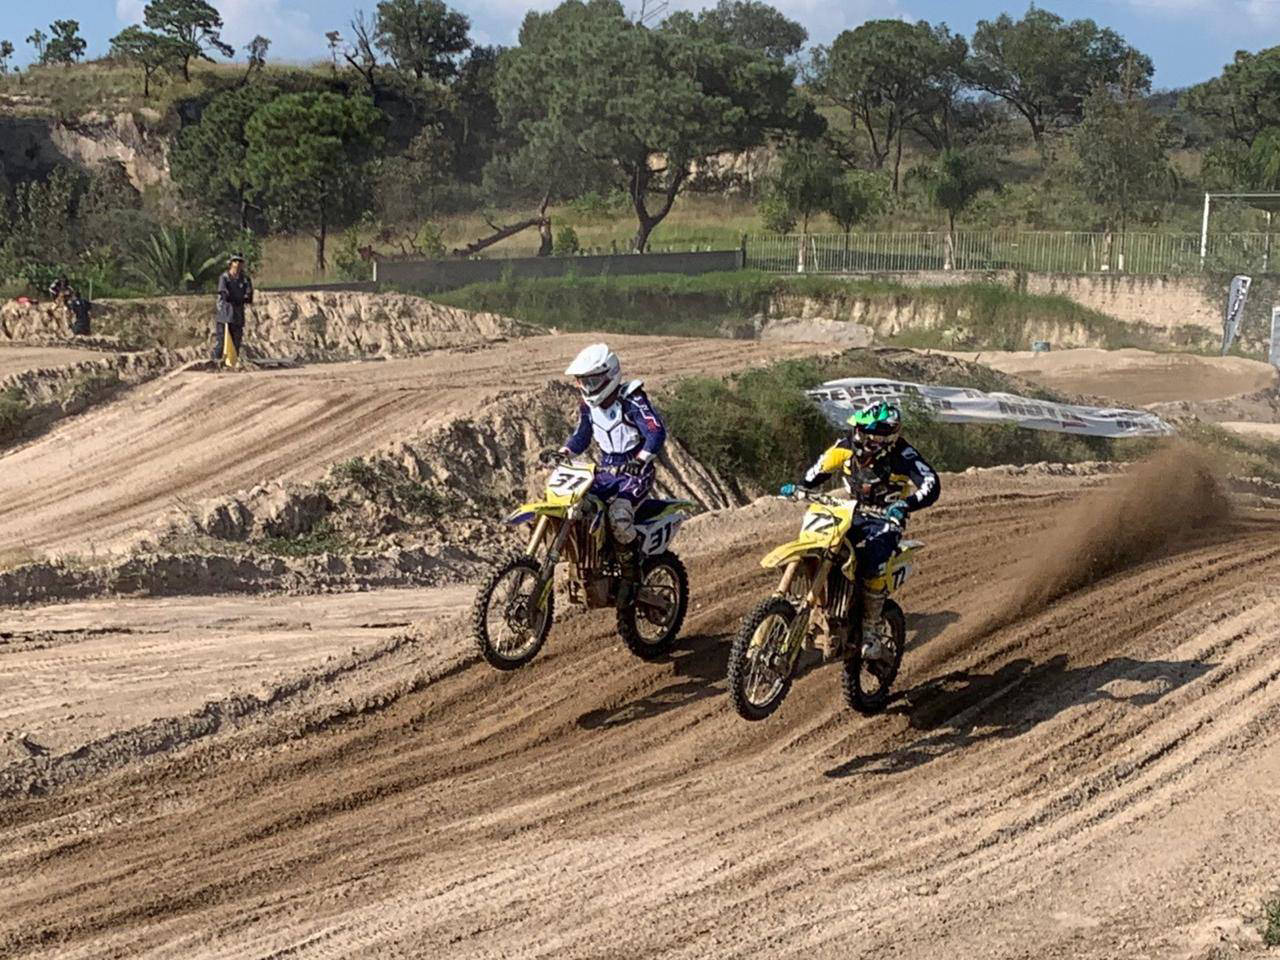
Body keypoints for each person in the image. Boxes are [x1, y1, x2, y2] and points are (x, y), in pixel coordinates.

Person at [781, 399, 940, 662]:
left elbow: (931, 484)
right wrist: (800, 486)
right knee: (820, 541)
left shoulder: (904, 455)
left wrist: (906, 504)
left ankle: (871, 629)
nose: (861, 437)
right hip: (851, 511)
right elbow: (819, 468)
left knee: (873, 558)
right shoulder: (845, 446)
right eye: (860, 430)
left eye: (868, 433)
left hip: (886, 518)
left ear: (886, 438)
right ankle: (815, 606)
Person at [559, 343, 666, 606]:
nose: (587, 387)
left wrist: (641, 459)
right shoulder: (588, 406)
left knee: (619, 515)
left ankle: (631, 573)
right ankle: (590, 561)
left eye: (593, 380)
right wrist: (564, 452)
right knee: (577, 504)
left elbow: (655, 431)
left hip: (635, 472)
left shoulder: (632, 399)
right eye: (583, 381)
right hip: (606, 469)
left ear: (610, 375)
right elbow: (582, 435)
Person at [212, 253, 254, 363]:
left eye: (240, 261)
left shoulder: (245, 279)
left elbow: (249, 297)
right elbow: (225, 295)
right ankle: (215, 362)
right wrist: (238, 298)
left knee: (236, 342)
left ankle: (232, 363)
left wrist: (239, 298)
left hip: (238, 316)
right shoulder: (224, 278)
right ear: (230, 263)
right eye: (235, 261)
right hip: (225, 315)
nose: (237, 264)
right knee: (221, 342)